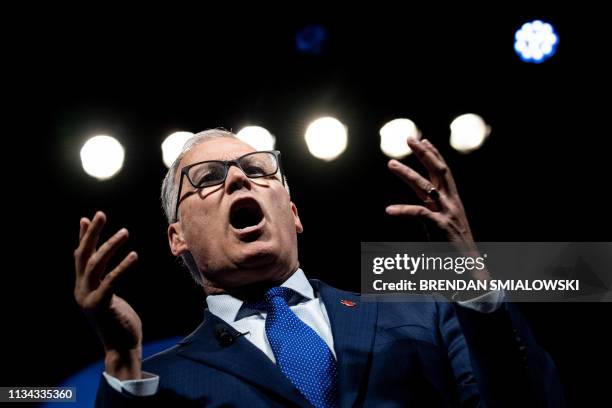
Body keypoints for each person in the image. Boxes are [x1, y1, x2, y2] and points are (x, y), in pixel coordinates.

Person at [74, 129, 563, 407]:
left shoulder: (423, 315)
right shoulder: (161, 382)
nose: (240, 177)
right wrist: (120, 359)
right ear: (176, 237)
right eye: (208, 179)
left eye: (260, 170)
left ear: (293, 213)